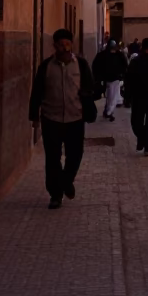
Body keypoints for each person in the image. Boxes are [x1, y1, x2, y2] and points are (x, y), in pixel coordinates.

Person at [29, 28, 99, 209]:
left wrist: (88, 103)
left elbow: (90, 87)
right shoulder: (45, 67)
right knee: (52, 158)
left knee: (75, 155)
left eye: (67, 43)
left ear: (71, 44)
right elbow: (36, 92)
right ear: (55, 46)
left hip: (75, 117)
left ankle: (66, 181)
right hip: (50, 118)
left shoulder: (81, 65)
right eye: (60, 44)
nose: (64, 47)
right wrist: (34, 117)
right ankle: (55, 194)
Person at [93, 39, 128, 122]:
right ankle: (108, 111)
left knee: (111, 96)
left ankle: (109, 111)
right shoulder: (103, 55)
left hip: (114, 79)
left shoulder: (118, 55)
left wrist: (122, 74)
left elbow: (124, 65)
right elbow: (96, 66)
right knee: (110, 96)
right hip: (106, 79)